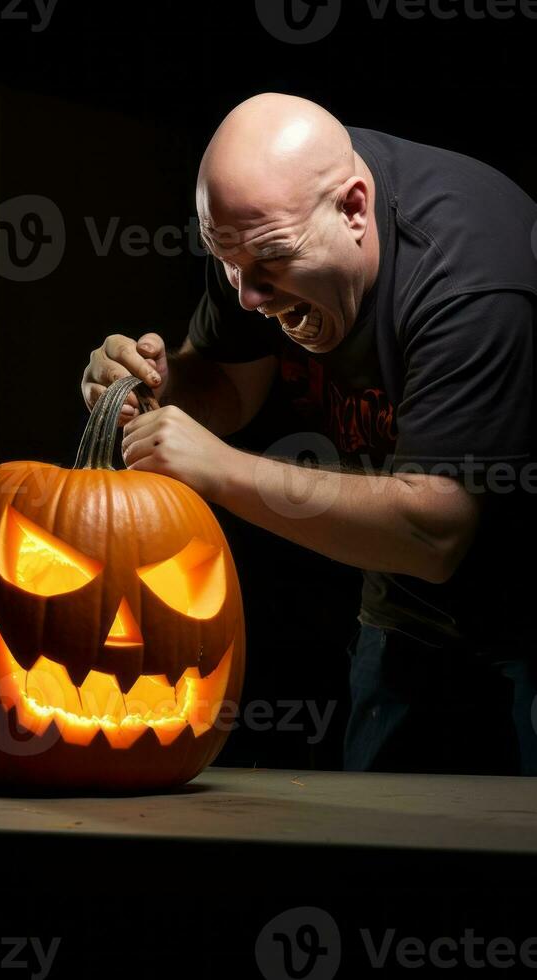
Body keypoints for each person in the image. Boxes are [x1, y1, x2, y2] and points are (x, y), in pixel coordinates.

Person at [82, 93, 537, 776]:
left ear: (354, 208)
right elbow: (230, 388)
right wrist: (154, 388)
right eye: (224, 261)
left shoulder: (472, 279)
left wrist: (219, 470)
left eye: (268, 264)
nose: (246, 298)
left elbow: (434, 531)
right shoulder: (259, 224)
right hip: (406, 606)